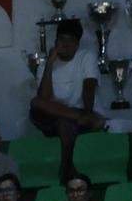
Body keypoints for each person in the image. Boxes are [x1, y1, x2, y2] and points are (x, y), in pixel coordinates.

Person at [29, 19, 104, 168]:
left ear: (77, 45)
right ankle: (89, 119)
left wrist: (87, 111)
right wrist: (49, 63)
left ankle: (67, 169)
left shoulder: (86, 57)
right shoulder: (45, 65)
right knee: (36, 103)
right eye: (62, 39)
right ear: (56, 42)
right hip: (57, 117)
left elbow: (89, 86)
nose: (66, 44)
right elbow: (44, 98)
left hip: (81, 112)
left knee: (64, 124)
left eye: (71, 41)